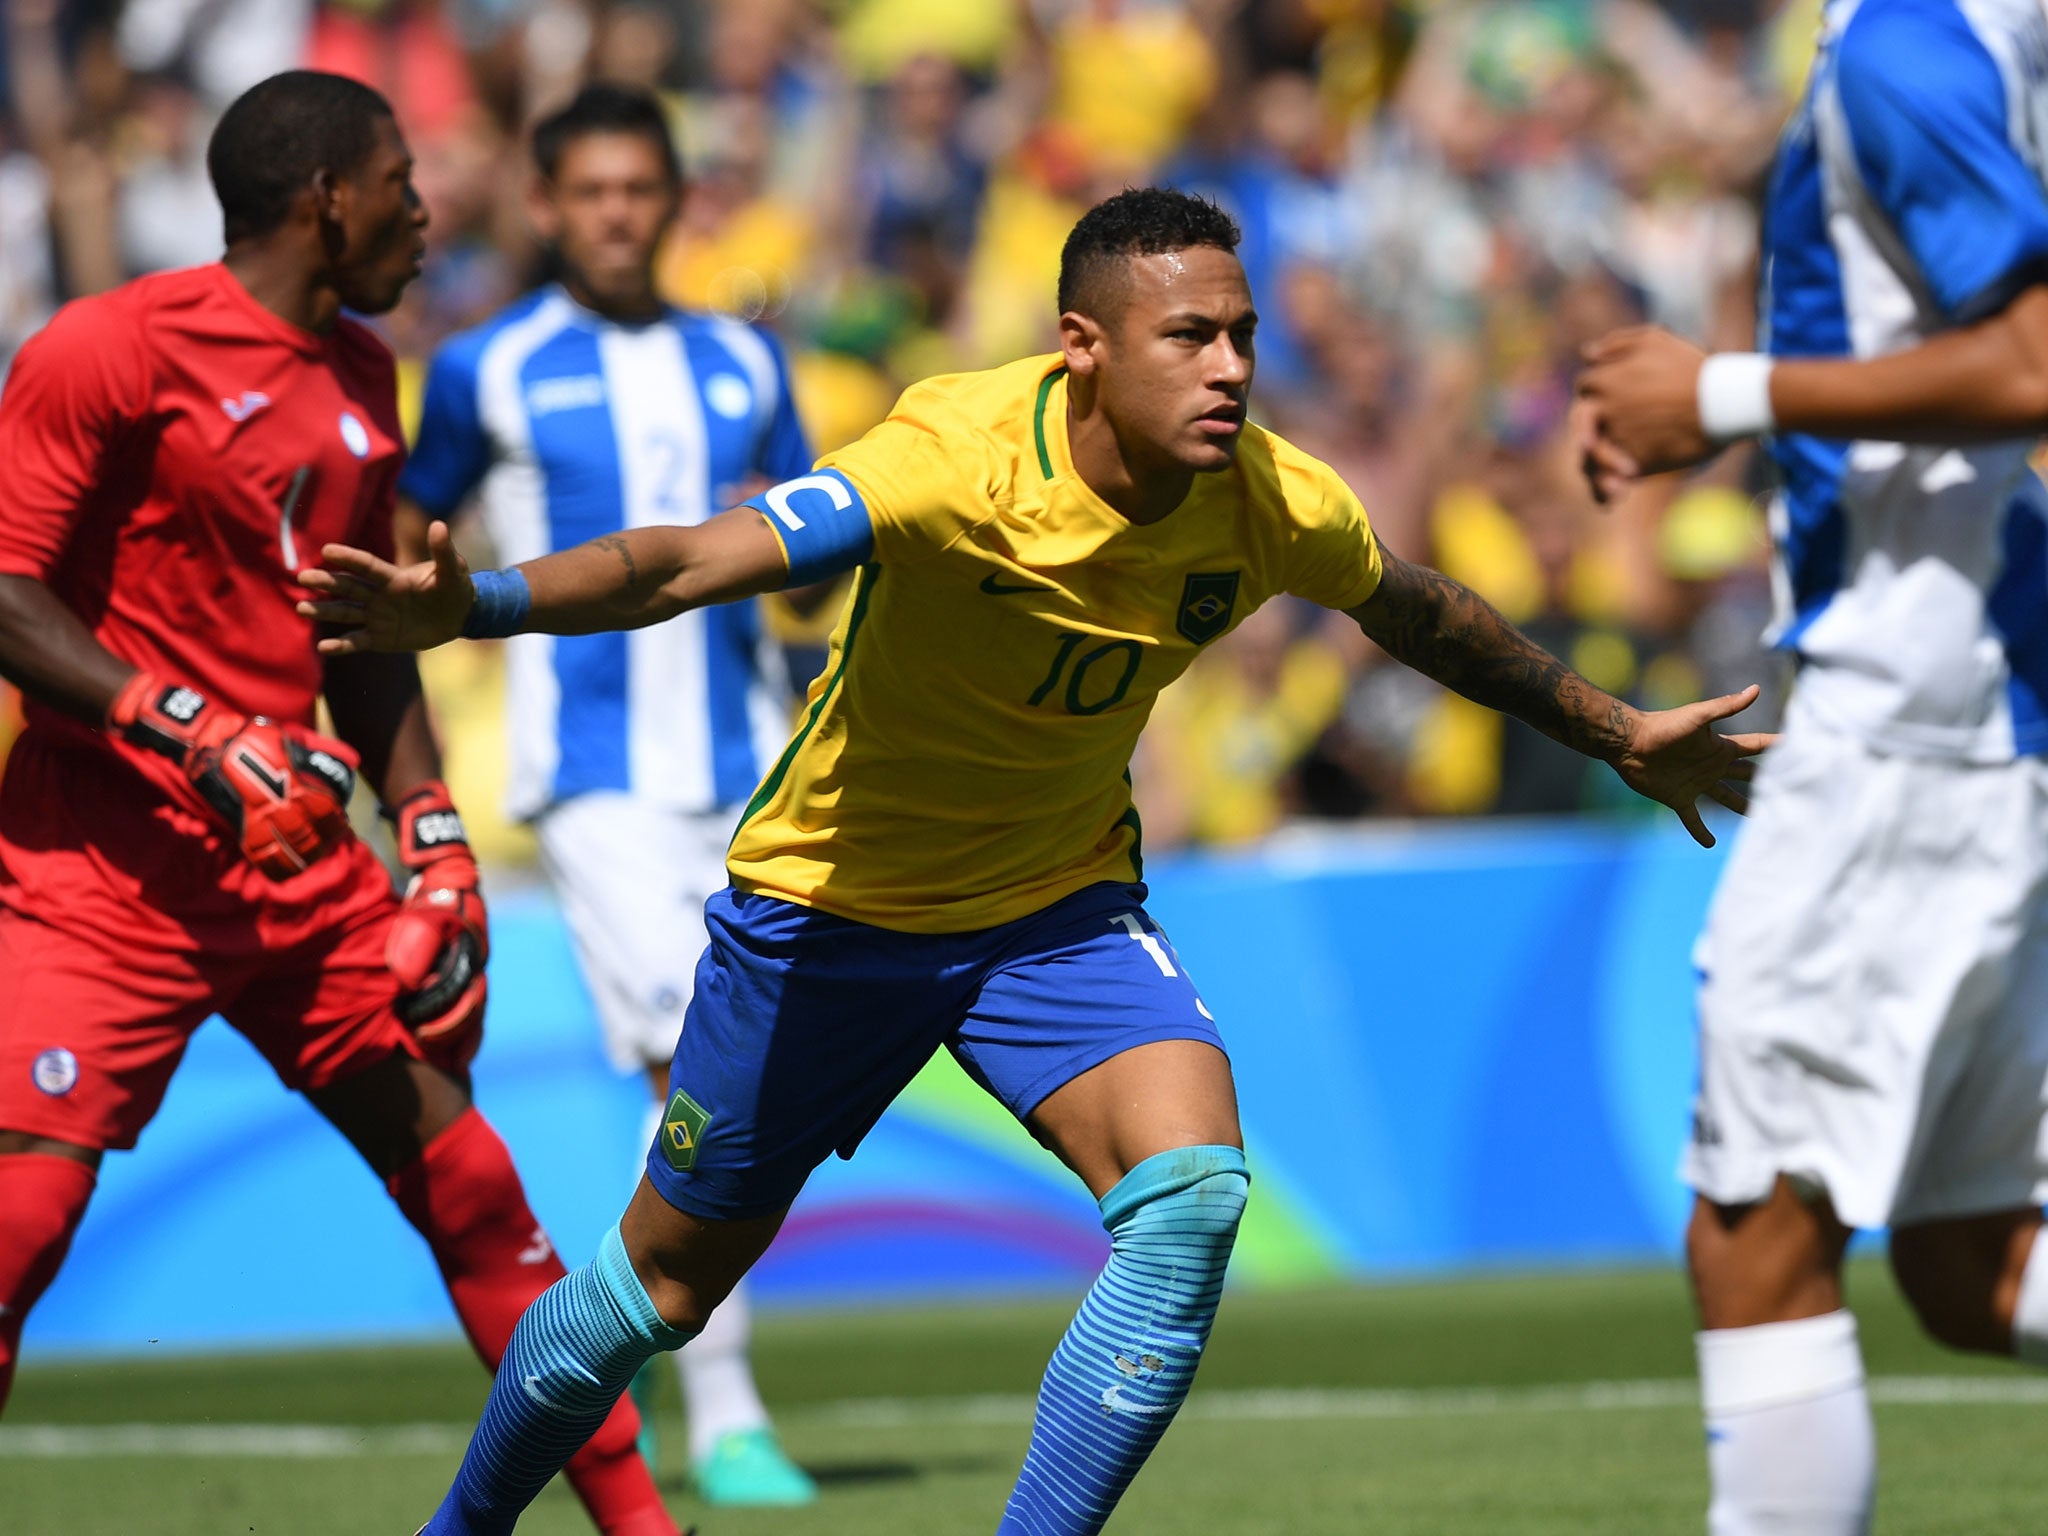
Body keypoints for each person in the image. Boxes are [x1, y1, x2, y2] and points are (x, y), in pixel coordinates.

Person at [305, 187, 1764, 1536]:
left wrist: (1614, 726)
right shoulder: (951, 457)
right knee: (655, 1295)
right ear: (1083, 347)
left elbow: (1427, 612)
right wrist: (479, 605)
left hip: (1053, 916)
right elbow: (691, 560)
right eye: (1189, 336)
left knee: (1190, 1200)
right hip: (832, 910)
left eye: (1243, 335)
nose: (1231, 368)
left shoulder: (1269, 498)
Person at [0, 71, 680, 1536]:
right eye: (401, 184)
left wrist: (427, 827)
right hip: (101, 875)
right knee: (19, 1227)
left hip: (298, 872)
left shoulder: (367, 376)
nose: (427, 216)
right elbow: (2, 590)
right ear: (326, 201)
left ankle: (645, 1530)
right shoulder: (105, 349)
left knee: (477, 1192)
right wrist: (178, 727)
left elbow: (357, 637)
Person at [1577, 1, 2048, 1529]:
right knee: (1973, 1268)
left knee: (1758, 1231)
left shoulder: (1911, 44)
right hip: (1989, 695)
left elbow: (2035, 357)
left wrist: (1720, 394)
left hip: (1913, 718)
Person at [397, 82, 814, 1508]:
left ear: (677, 200)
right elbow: (413, 540)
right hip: (591, 780)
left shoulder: (743, 364)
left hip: (750, 767)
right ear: (548, 205)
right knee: (688, 1069)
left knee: (757, 1074)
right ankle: (729, 1408)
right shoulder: (484, 368)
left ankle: (638, 1361)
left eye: (643, 189)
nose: (620, 215)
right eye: (593, 192)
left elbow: (815, 551)